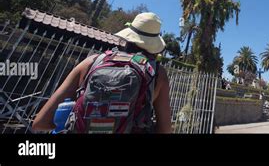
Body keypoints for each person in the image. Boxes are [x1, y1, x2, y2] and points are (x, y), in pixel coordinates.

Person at [32, 12, 172, 134]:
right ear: (154, 44)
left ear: (128, 36)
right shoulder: (157, 74)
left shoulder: (91, 62)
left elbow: (40, 122)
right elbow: (165, 129)